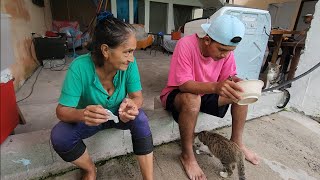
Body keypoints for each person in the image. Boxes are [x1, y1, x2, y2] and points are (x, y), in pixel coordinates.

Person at [51, 11, 153, 180]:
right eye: (127, 52)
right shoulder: (79, 68)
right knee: (60, 136)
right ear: (105, 50)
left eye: (133, 52)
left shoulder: (129, 66)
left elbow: (138, 97)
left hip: (120, 116)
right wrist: (83, 114)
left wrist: (132, 105)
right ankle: (90, 169)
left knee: (140, 119)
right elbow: (62, 111)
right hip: (90, 120)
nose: (132, 59)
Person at [160, 14, 259, 180]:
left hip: (208, 93)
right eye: (221, 50)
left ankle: (237, 143)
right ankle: (187, 154)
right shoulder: (186, 44)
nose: (224, 55)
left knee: (241, 90)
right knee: (192, 99)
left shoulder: (225, 53)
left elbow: (228, 77)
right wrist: (215, 86)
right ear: (207, 40)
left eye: (229, 52)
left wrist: (236, 81)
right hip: (180, 94)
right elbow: (184, 84)